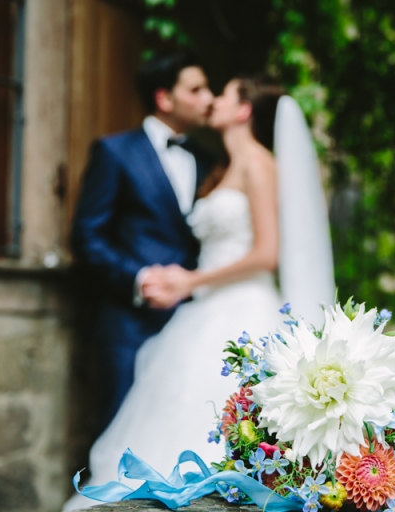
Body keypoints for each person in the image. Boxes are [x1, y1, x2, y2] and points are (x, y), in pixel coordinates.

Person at [62, 76, 335, 511]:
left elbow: (266, 254)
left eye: (223, 94)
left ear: (243, 109)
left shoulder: (260, 165)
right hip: (202, 310)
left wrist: (189, 281)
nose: (212, 102)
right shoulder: (221, 165)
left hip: (242, 307)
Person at [71, 52, 218, 430]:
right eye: (197, 89)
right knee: (121, 434)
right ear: (164, 98)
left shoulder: (210, 161)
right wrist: (139, 278)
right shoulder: (114, 152)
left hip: (194, 323)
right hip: (128, 324)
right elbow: (87, 235)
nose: (209, 98)